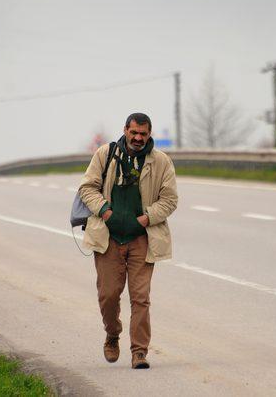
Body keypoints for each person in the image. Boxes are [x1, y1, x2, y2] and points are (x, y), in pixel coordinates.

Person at [79, 112, 178, 369]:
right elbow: (86, 188)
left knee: (140, 298)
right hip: (108, 237)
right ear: (125, 130)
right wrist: (105, 212)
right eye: (133, 132)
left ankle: (139, 352)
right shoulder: (105, 154)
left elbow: (170, 200)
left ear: (149, 134)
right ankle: (112, 335)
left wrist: (146, 219)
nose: (138, 138)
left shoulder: (161, 162)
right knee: (109, 295)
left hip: (142, 237)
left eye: (143, 134)